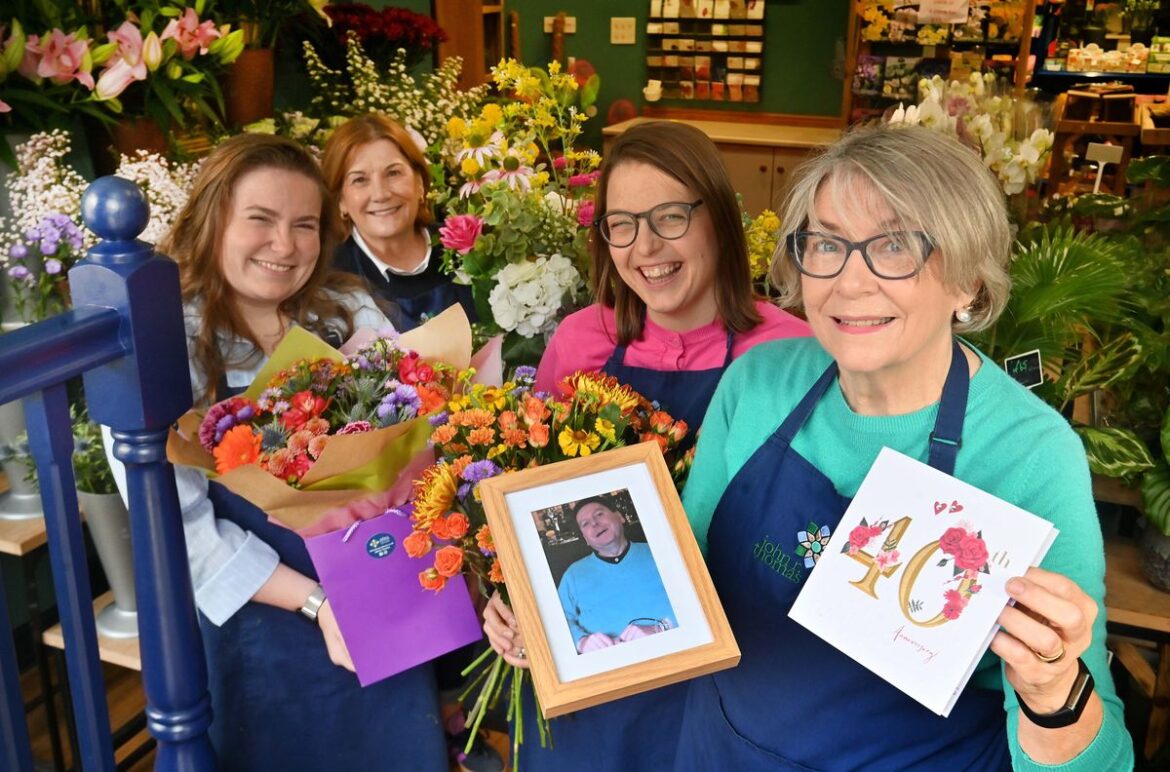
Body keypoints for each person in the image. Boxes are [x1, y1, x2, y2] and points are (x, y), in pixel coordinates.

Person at [677, 123, 1132, 770]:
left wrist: (1052, 691)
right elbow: (683, 584)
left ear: (969, 281)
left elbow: (1101, 759)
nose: (850, 282)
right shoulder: (758, 384)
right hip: (716, 751)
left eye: (894, 246)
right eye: (827, 244)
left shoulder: (1027, 453)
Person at [110, 134, 447, 771]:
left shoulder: (349, 312)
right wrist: (320, 606)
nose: (285, 245)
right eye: (260, 220)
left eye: (304, 225)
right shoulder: (162, 346)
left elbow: (420, 440)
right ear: (213, 221)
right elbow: (180, 531)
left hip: (382, 599)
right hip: (259, 625)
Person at [484, 120, 810, 770]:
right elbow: (538, 503)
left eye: (669, 217)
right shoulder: (579, 341)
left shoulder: (789, 354)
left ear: (717, 218)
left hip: (735, 671)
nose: (645, 247)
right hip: (596, 662)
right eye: (622, 224)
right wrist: (515, 595)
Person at [322, 113, 477, 331]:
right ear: (340, 201)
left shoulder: (469, 249)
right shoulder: (328, 279)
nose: (381, 194)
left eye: (393, 173)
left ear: (420, 184)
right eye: (359, 180)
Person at [557, 496, 677, 652]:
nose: (594, 523)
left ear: (620, 517)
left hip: (673, 649)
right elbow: (557, 621)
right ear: (585, 538)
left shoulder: (661, 552)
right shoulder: (572, 575)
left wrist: (663, 627)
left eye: (599, 514)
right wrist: (581, 641)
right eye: (585, 524)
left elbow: (696, 598)